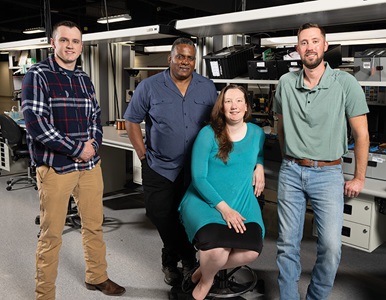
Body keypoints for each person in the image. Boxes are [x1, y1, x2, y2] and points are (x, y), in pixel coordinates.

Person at [22, 21, 125, 299]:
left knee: (94, 225)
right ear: (52, 43)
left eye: (76, 41)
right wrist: (76, 148)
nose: (70, 46)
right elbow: (36, 124)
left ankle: (97, 276)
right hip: (57, 168)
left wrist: (92, 144)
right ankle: (45, 294)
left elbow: (95, 116)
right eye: (64, 40)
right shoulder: (38, 75)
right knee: (51, 234)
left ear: (81, 46)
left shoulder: (83, 78)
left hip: (90, 167)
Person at [273, 22, 369, 300]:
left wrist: (359, 177)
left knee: (330, 245)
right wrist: (288, 158)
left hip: (328, 174)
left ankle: (316, 296)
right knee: (287, 245)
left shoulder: (345, 83)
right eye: (304, 42)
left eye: (315, 41)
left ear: (325, 46)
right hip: (291, 171)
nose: (310, 47)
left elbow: (361, 134)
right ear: (297, 49)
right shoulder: (285, 83)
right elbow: (280, 128)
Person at [123, 37, 218, 286]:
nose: (185, 62)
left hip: (196, 169)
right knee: (160, 215)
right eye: (180, 56)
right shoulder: (149, 86)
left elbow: (216, 124)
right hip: (159, 166)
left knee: (187, 216)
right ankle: (188, 259)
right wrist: (143, 155)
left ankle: (172, 263)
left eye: (189, 58)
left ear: (194, 61)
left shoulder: (207, 87)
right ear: (170, 58)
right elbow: (132, 120)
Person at [178, 84, 266, 300]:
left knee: (251, 251)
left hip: (242, 200)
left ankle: (201, 271)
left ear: (246, 106)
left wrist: (260, 166)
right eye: (228, 101)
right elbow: (199, 178)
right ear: (222, 107)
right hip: (205, 201)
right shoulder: (208, 134)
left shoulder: (257, 133)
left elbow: (259, 154)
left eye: (238, 101)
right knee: (218, 252)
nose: (234, 106)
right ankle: (204, 285)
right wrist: (224, 209)